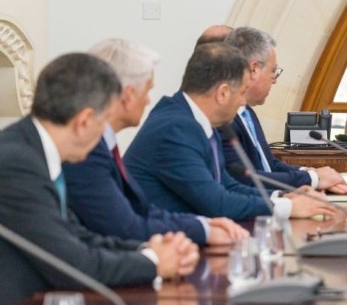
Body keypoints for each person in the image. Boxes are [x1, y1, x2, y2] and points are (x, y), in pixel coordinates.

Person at [0, 53, 199, 305]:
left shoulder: (29, 149)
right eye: (104, 124)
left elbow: (75, 236)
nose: (103, 136)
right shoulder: (15, 166)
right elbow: (73, 266)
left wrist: (146, 250)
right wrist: (154, 262)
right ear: (84, 121)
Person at [126, 43, 344, 222]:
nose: (242, 103)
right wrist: (288, 207)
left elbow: (228, 185)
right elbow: (217, 202)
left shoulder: (196, 120)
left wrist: (285, 195)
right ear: (222, 93)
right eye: (241, 93)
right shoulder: (176, 128)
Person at [62, 38, 248, 247]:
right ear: (128, 95)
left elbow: (141, 210)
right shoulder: (86, 151)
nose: (149, 100)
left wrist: (203, 225)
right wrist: (202, 231)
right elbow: (124, 227)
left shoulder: (102, 144)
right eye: (147, 90)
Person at [221, 26, 347, 194]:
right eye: (273, 71)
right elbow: (245, 179)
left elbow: (269, 164)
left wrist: (310, 173)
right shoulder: (224, 119)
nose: (274, 80)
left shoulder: (247, 112)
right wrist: (313, 179)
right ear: (254, 69)